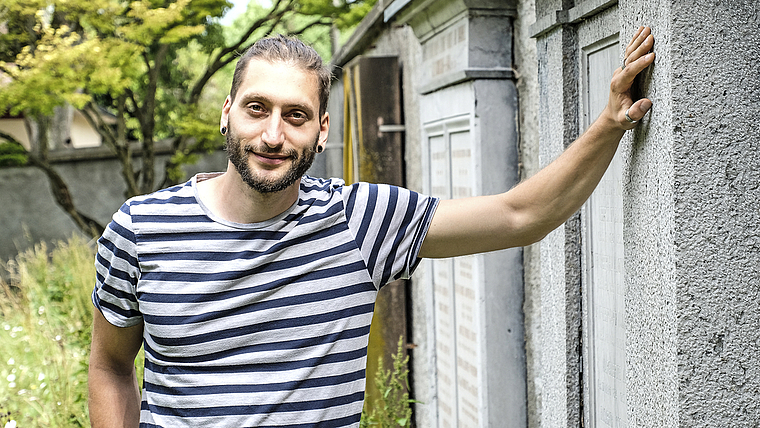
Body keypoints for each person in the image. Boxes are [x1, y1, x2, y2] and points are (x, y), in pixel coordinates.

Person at [88, 26, 655, 427]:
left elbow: (519, 215)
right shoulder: (141, 230)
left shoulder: (358, 222)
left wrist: (608, 123)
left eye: (295, 115)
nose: (272, 135)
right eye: (256, 108)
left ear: (322, 129)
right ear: (227, 112)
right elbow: (110, 365)